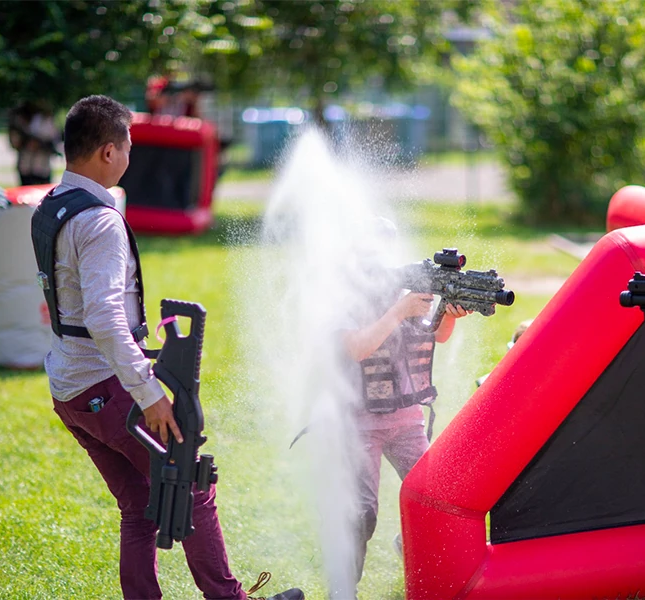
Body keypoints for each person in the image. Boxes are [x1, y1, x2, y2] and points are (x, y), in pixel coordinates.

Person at [29, 95, 303, 600]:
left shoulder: (52, 205)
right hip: (107, 388)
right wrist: (150, 393)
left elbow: (73, 304)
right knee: (192, 486)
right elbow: (105, 318)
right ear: (108, 151)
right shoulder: (100, 221)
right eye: (129, 146)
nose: (131, 156)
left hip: (68, 387)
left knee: (137, 504)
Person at [336, 226, 472, 593]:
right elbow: (357, 348)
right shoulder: (342, 298)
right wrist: (398, 309)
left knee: (436, 498)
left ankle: (411, 550)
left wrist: (452, 314)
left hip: (406, 420)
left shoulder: (405, 290)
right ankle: (343, 588)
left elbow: (435, 334)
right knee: (361, 513)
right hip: (360, 423)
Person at [9, 101, 60, 186]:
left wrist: (40, 145)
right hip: (26, 166)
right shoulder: (20, 122)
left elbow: (54, 141)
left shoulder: (46, 121)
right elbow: (15, 143)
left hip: (42, 167)